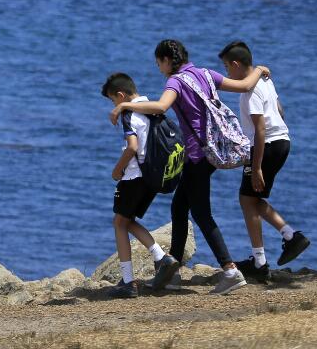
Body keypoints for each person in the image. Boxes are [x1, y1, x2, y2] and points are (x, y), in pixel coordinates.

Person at [111, 39, 269, 296]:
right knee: (179, 207)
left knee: (201, 214)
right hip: (212, 152)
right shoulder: (206, 73)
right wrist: (260, 69)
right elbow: (244, 85)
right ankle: (171, 273)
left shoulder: (175, 81)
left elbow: (161, 106)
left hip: (197, 156)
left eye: (158, 63)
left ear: (166, 60)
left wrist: (126, 105)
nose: (158, 68)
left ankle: (230, 271)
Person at [219, 40, 309, 280]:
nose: (228, 72)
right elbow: (279, 109)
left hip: (266, 146)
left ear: (237, 65)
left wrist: (256, 167)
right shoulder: (266, 80)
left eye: (228, 68)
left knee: (247, 199)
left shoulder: (249, 94)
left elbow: (259, 130)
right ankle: (288, 238)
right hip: (283, 141)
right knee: (252, 199)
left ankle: (262, 261)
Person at [102, 72, 176, 299]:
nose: (115, 105)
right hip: (152, 176)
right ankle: (160, 257)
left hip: (133, 177)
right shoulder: (151, 108)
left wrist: (117, 169)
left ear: (121, 95)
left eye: (113, 100)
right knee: (126, 221)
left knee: (119, 223)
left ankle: (128, 281)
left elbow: (132, 147)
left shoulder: (128, 113)